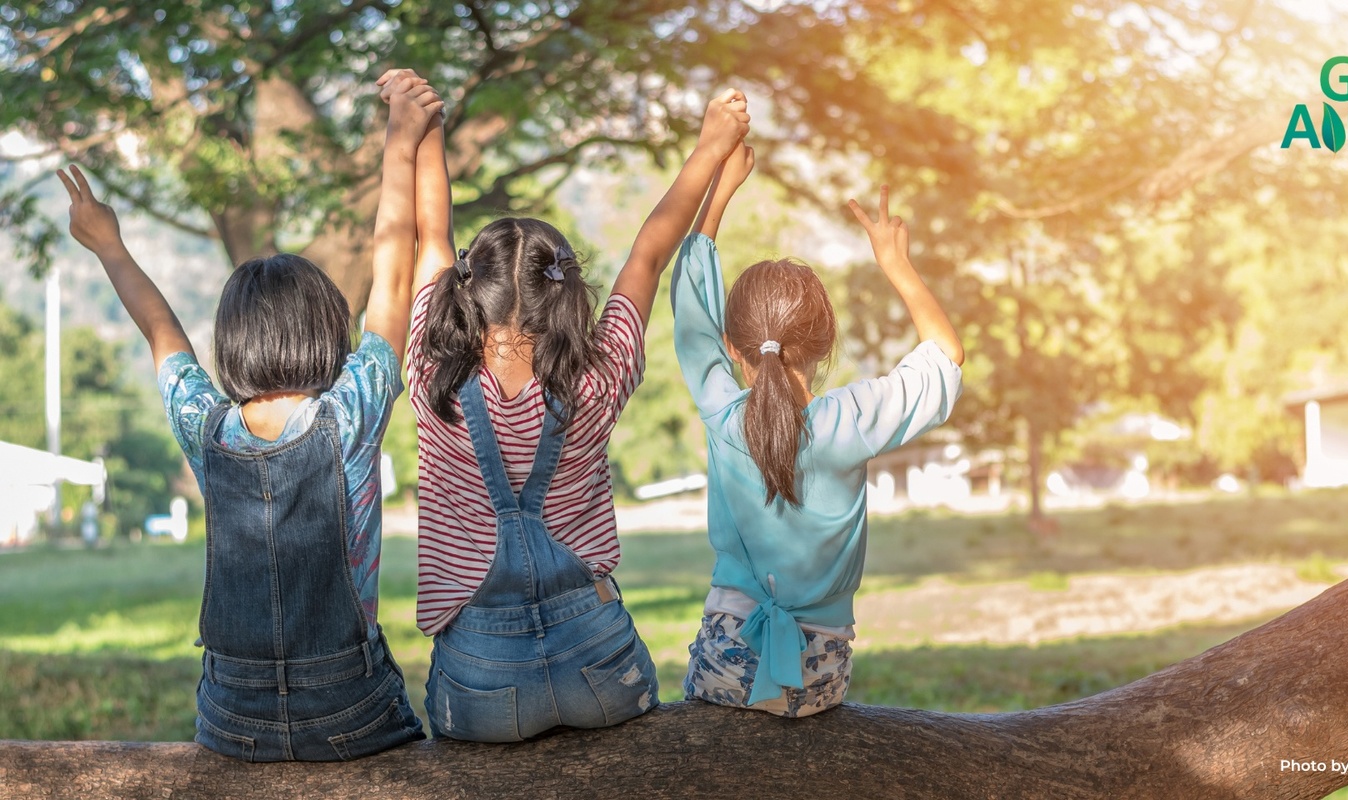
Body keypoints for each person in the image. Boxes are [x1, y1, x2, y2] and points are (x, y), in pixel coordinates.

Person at [54, 72, 443, 761]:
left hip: (233, 718)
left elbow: (161, 332)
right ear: (328, 332)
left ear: (233, 342)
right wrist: (400, 138)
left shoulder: (208, 432)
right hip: (348, 708)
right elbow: (392, 270)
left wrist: (109, 246)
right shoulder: (350, 415)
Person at [397, 72, 751, 740]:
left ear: (468, 292)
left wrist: (428, 127)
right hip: (599, 665)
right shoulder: (596, 376)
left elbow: (430, 233)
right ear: (566, 295)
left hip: (481, 678)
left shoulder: (429, 372)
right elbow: (649, 254)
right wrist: (711, 146)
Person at [672, 157, 966, 717]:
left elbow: (690, 317)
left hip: (727, 663)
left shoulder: (722, 413)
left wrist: (719, 194)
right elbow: (945, 358)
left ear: (732, 348)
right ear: (825, 343)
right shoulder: (851, 419)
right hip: (821, 676)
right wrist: (896, 265)